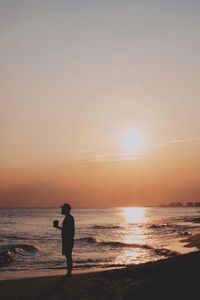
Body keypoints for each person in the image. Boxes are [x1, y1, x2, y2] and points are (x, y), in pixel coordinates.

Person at [53, 203, 75, 279]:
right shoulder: (68, 218)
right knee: (68, 256)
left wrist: (57, 227)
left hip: (68, 240)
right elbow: (66, 230)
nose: (61, 210)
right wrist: (57, 227)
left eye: (62, 209)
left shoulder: (69, 218)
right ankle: (69, 272)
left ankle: (69, 273)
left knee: (68, 256)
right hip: (68, 239)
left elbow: (67, 230)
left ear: (66, 210)